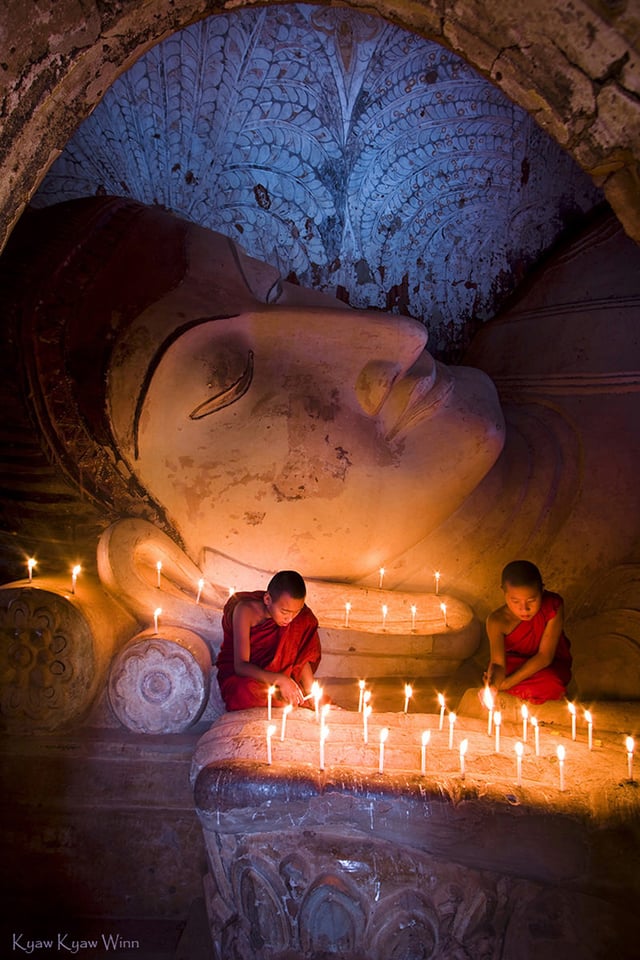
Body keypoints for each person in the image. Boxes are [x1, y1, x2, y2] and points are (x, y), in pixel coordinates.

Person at [216, 569, 322, 711]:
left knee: (301, 695)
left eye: (296, 613)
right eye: (284, 612)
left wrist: (312, 695)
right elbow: (241, 666)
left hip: (278, 682)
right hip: (250, 677)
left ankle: (295, 699)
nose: (290, 619)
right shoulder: (245, 611)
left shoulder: (301, 618)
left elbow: (301, 659)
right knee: (242, 691)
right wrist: (280, 679)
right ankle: (288, 700)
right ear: (267, 599)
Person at [484, 560, 572, 704]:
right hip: (513, 664)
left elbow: (545, 656)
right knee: (496, 676)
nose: (524, 609)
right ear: (504, 592)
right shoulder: (496, 621)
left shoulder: (553, 605)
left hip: (544, 665)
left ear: (542, 590)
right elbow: (498, 664)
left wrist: (507, 684)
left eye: (532, 600)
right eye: (515, 601)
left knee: (552, 682)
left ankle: (510, 689)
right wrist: (493, 687)